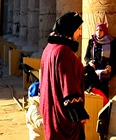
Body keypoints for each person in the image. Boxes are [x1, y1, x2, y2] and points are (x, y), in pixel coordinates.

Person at [40, 11, 89, 140]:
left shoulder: (49, 48)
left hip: (50, 110)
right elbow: (68, 84)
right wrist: (79, 114)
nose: (80, 33)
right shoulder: (63, 51)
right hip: (63, 116)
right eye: (78, 29)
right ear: (70, 28)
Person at [83, 22, 116, 96]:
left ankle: (103, 99)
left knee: (103, 82)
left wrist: (110, 65)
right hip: (94, 67)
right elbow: (86, 57)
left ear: (104, 31)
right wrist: (90, 62)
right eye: (97, 30)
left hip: (106, 67)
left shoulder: (111, 42)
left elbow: (115, 56)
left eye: (101, 30)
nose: (98, 32)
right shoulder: (92, 42)